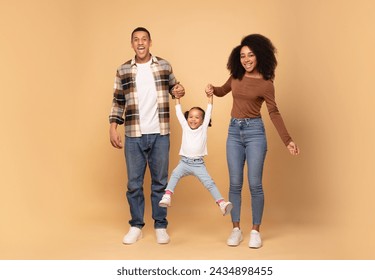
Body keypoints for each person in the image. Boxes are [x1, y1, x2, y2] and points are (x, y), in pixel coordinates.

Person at [205, 34, 300, 249]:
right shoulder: (236, 76)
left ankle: (255, 231)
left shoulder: (266, 84)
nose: (246, 59)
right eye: (242, 56)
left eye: (250, 55)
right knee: (235, 184)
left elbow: (274, 112)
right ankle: (236, 229)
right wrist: (212, 89)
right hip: (234, 132)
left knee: (255, 184)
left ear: (259, 56)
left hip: (255, 132)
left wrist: (288, 140)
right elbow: (222, 91)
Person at [109, 27, 185, 245]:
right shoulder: (123, 70)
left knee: (160, 182)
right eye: (136, 40)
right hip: (133, 134)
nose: (140, 43)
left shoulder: (164, 65)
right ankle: (136, 225)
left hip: (160, 133)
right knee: (134, 183)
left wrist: (179, 90)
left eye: (144, 39)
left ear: (150, 42)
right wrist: (113, 126)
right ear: (132, 44)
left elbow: (175, 88)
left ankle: (160, 225)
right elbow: (117, 101)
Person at [158, 95, 233, 217]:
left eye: (197, 117)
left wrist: (210, 98)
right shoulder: (185, 127)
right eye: (190, 117)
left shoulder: (203, 129)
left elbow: (209, 111)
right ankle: (167, 196)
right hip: (184, 162)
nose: (193, 119)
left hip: (198, 164)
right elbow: (178, 112)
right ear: (187, 118)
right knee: (175, 174)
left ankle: (222, 204)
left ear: (203, 121)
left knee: (209, 183)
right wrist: (177, 98)